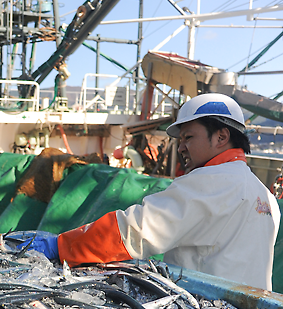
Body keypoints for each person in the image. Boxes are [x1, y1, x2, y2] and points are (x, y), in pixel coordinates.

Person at [29, 92, 280, 290]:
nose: (181, 148)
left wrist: (61, 247)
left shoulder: (209, 182)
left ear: (221, 136)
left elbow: (133, 232)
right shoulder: (264, 196)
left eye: (189, 138)